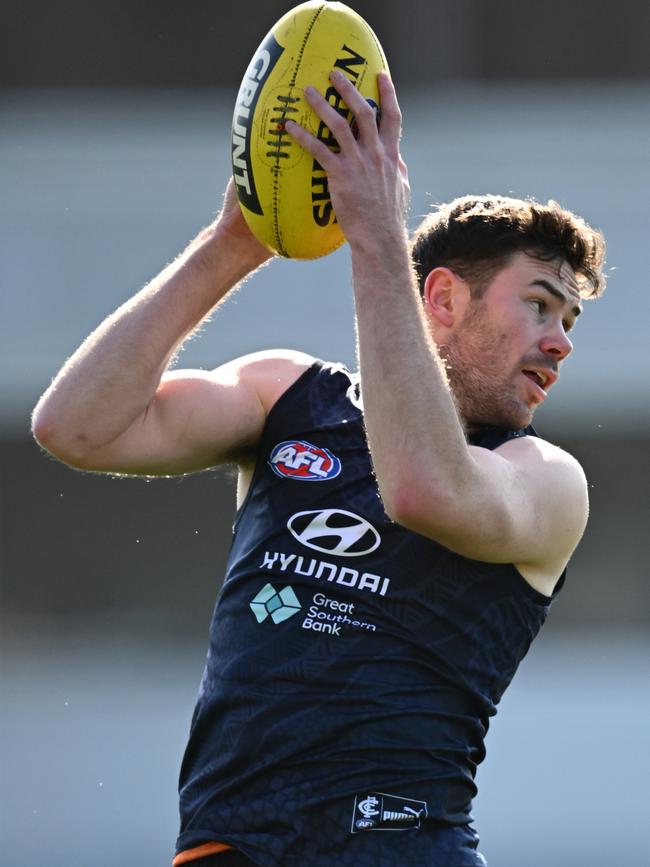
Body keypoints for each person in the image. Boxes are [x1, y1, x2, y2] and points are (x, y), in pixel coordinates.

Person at [32, 71, 605, 867]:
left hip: (398, 849)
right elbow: (75, 426)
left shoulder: (544, 477)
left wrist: (374, 233)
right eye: (540, 304)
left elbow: (419, 487)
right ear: (441, 298)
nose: (561, 340)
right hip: (224, 851)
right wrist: (232, 244)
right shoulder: (287, 395)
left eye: (570, 319)